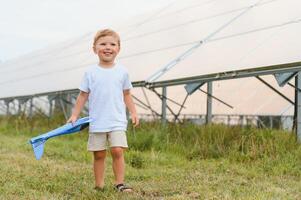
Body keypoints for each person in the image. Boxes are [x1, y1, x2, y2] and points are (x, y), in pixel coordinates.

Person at [67, 29, 139, 192]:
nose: (108, 47)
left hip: (117, 120)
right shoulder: (90, 73)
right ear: (94, 49)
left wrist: (133, 112)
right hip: (97, 121)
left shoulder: (122, 72)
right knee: (99, 154)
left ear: (118, 49)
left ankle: (119, 184)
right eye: (103, 44)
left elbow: (127, 94)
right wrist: (74, 115)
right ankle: (99, 185)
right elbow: (82, 95)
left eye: (112, 44)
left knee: (117, 150)